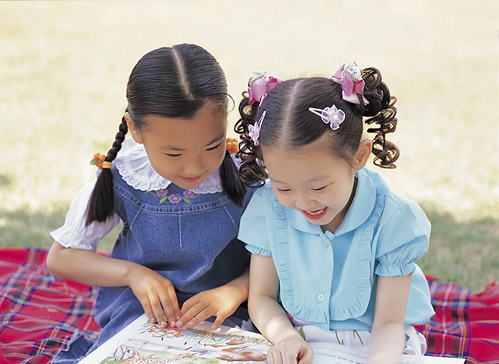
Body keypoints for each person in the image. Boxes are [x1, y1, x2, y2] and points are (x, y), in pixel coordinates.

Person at [46, 44, 251, 362]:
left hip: (228, 311)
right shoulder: (125, 176)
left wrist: (236, 290)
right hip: (144, 314)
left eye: (212, 146)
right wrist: (133, 275)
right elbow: (61, 258)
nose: (194, 167)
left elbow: (281, 256)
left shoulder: (248, 173)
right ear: (135, 130)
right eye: (173, 154)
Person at [235, 64, 435, 364]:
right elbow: (262, 297)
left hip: (379, 344)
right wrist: (286, 337)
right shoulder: (268, 209)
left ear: (359, 156)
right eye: (284, 188)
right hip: (297, 337)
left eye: (319, 187)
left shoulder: (394, 220)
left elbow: (389, 323)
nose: (303, 203)